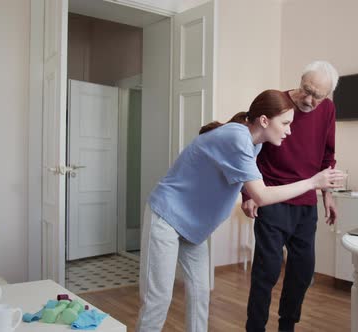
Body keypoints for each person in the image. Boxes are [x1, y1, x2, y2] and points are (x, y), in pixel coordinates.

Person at [135, 89, 345, 332]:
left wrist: (252, 195)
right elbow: (263, 195)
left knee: (200, 294)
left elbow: (251, 187)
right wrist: (313, 183)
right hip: (167, 218)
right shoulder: (237, 138)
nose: (289, 131)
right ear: (264, 121)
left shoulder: (253, 144)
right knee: (158, 299)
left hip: (194, 229)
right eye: (286, 123)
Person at [244, 61, 340, 332]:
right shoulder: (276, 102)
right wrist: (247, 193)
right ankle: (255, 328)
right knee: (268, 271)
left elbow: (327, 156)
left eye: (317, 96)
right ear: (300, 80)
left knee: (302, 272)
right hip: (271, 198)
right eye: (306, 90)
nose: (309, 100)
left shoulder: (328, 110)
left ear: (328, 95)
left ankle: (287, 326)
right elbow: (248, 146)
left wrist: (327, 195)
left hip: (305, 204)